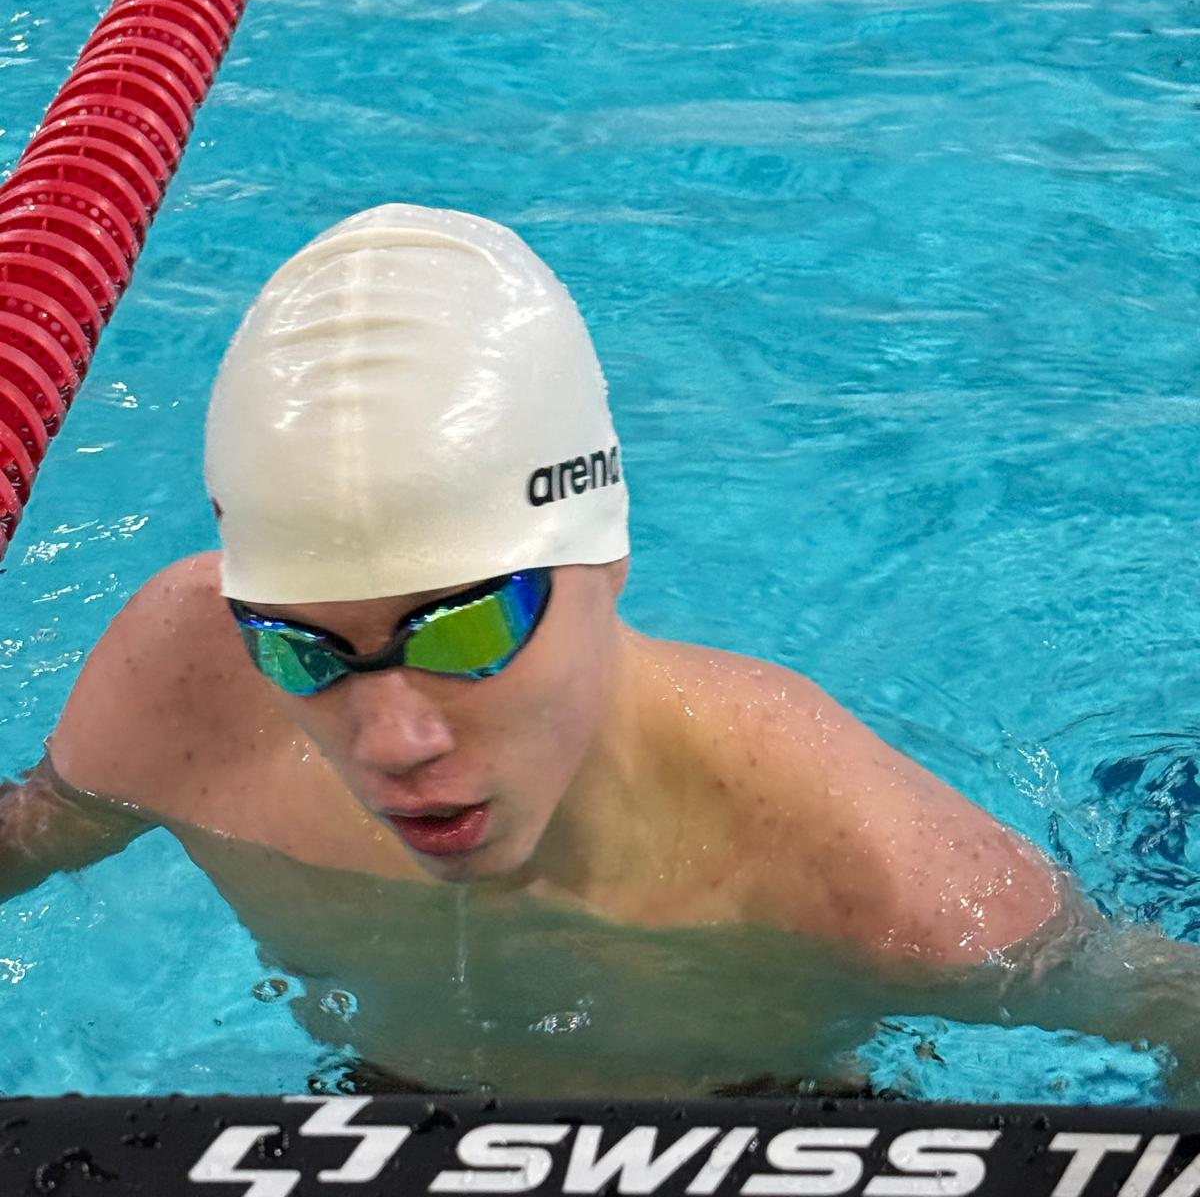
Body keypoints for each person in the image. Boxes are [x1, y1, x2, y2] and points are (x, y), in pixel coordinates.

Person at [0, 205, 1187, 1097]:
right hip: (371, 1117)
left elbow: (1167, 1011)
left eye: (466, 628)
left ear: (605, 554)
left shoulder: (867, 865)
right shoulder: (189, 679)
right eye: (305, 650)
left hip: (764, 1126)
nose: (394, 740)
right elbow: (35, 834)